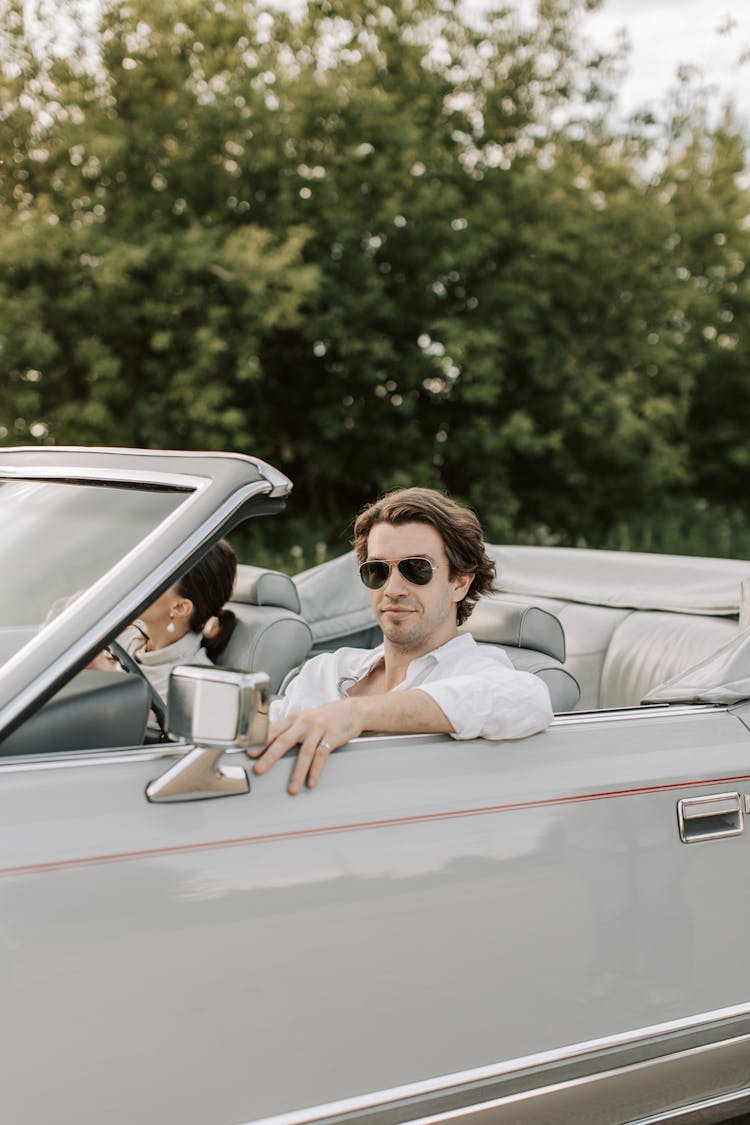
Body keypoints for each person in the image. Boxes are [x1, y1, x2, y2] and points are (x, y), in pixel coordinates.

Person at [249, 488, 553, 795]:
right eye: (377, 571)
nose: (393, 588)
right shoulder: (325, 670)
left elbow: (530, 699)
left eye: (416, 569)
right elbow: (258, 734)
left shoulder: (477, 670)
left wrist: (357, 713)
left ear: (460, 582)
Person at [96, 538, 238, 702]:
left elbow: (140, 717)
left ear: (179, 608)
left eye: (156, 577)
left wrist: (102, 668)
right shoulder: (126, 634)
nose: (139, 580)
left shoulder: (195, 685)